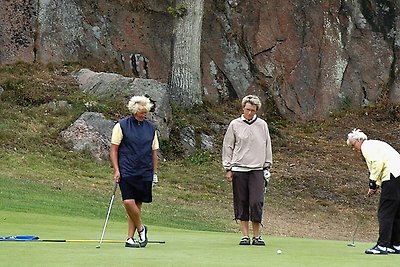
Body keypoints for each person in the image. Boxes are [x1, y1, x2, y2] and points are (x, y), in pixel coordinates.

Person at [222, 95, 273, 246]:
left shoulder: (262, 125)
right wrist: (228, 168)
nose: (249, 113)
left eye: (252, 110)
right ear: (243, 108)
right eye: (247, 109)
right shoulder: (235, 124)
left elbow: (267, 146)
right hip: (239, 168)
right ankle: (245, 236)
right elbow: (228, 146)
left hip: (257, 169)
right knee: (241, 201)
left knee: (256, 202)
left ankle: (257, 236)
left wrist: (267, 166)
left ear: (256, 110)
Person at [110, 95, 159, 248]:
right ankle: (142, 229)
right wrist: (117, 170)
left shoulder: (151, 128)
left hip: (144, 171)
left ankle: (130, 238)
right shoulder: (122, 125)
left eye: (146, 112)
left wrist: (154, 174)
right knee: (128, 201)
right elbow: (114, 150)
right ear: (135, 111)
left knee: (137, 206)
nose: (145, 115)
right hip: (127, 170)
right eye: (142, 112)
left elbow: (154, 153)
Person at [346, 129, 400, 254]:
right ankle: (396, 244)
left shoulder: (367, 146)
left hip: (392, 175)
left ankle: (382, 246)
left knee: (385, 212)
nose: (355, 149)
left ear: (359, 140)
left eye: (353, 145)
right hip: (397, 175)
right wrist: (376, 185)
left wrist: (372, 183)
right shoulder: (375, 144)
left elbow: (377, 164)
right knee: (396, 212)